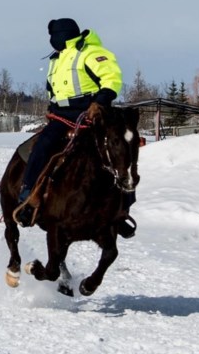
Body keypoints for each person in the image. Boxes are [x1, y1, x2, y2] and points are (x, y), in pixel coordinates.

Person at [15, 18, 135, 238]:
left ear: (63, 35)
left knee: (119, 150)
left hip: (92, 111)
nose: (51, 42)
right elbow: (54, 88)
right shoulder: (56, 59)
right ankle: (28, 194)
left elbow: (112, 77)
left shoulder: (90, 52)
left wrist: (100, 102)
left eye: (53, 37)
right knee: (42, 146)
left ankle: (122, 210)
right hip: (61, 115)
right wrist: (52, 106)